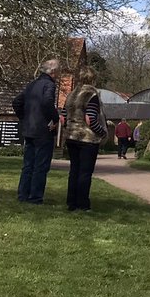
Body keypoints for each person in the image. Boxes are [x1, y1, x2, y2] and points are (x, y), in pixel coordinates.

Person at [13, 59, 60, 204]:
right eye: (57, 72)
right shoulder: (49, 85)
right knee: (40, 166)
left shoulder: (32, 85)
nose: (58, 75)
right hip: (43, 131)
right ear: (52, 72)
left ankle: (23, 195)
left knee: (28, 165)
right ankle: (35, 197)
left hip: (29, 130)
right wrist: (55, 119)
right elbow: (47, 102)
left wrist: (24, 118)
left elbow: (16, 102)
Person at [63, 68, 106, 212]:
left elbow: (63, 116)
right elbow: (90, 118)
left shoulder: (71, 95)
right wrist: (102, 132)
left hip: (71, 136)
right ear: (93, 79)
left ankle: (71, 202)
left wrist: (67, 128)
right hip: (87, 138)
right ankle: (83, 204)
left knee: (74, 170)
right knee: (85, 172)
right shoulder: (91, 95)